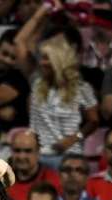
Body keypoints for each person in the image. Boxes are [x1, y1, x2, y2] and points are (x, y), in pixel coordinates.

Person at [28, 35, 99, 170]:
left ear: (58, 60)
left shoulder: (82, 88)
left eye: (46, 58)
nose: (41, 63)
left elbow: (94, 121)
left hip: (69, 156)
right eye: (41, 58)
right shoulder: (37, 85)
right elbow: (34, 123)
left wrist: (73, 139)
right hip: (40, 155)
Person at [5, 129, 61, 200]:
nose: (22, 157)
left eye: (28, 151)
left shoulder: (54, 181)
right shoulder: (3, 182)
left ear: (38, 152)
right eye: (17, 151)